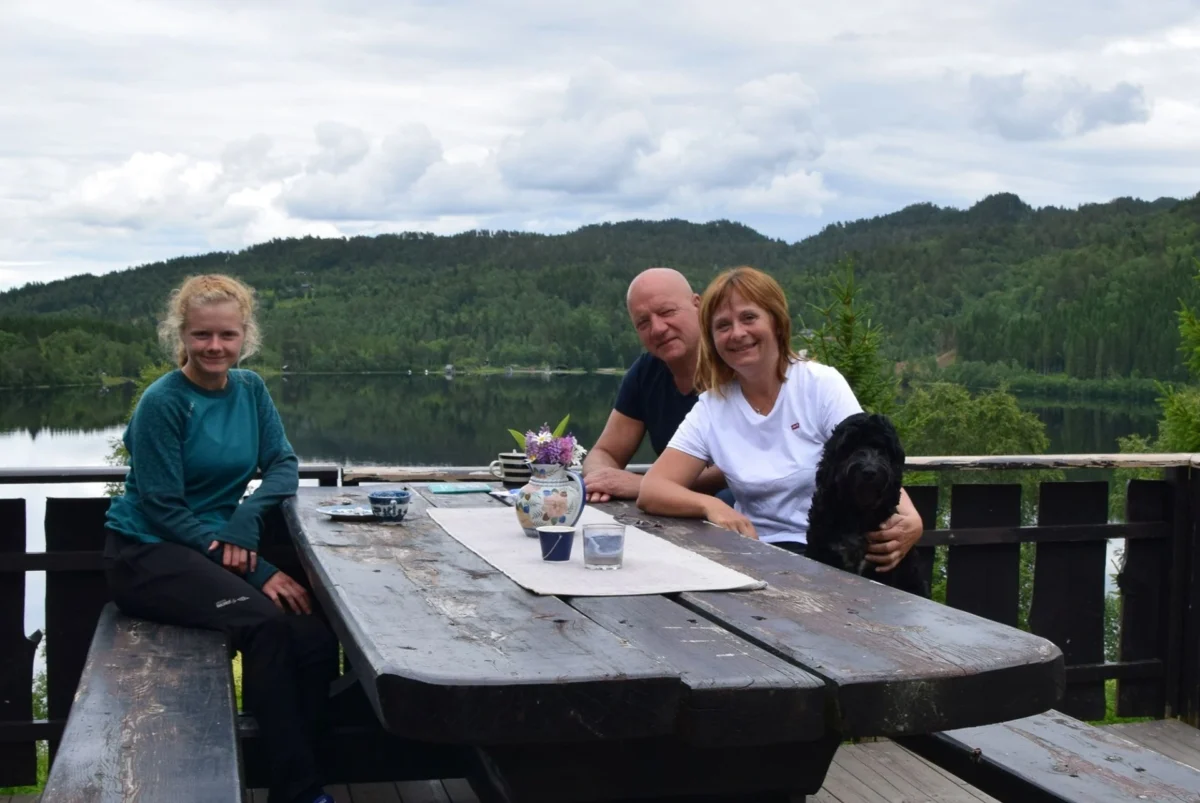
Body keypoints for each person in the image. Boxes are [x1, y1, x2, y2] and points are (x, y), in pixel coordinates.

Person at [103, 274, 337, 803]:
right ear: (181, 336)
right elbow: (162, 507)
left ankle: (300, 770)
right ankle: (298, 791)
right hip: (147, 554)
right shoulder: (162, 403)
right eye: (202, 335)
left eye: (226, 335)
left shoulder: (250, 389)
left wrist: (247, 515)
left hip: (212, 545)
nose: (214, 347)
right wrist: (256, 567)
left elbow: (283, 463)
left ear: (244, 336)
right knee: (264, 623)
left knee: (316, 639)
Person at [637, 266, 923, 570]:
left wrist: (911, 518)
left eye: (749, 318)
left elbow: (868, 454)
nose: (737, 333)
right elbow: (653, 489)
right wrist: (712, 505)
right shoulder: (712, 407)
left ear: (776, 322)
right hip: (754, 555)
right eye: (722, 325)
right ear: (713, 339)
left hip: (830, 556)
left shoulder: (820, 384)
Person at [582, 267, 727, 503]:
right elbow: (605, 452)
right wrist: (602, 480)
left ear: (698, 305)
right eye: (643, 323)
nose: (658, 328)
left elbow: (738, 467)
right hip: (676, 515)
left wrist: (648, 485)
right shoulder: (646, 371)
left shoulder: (733, 361)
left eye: (667, 311)